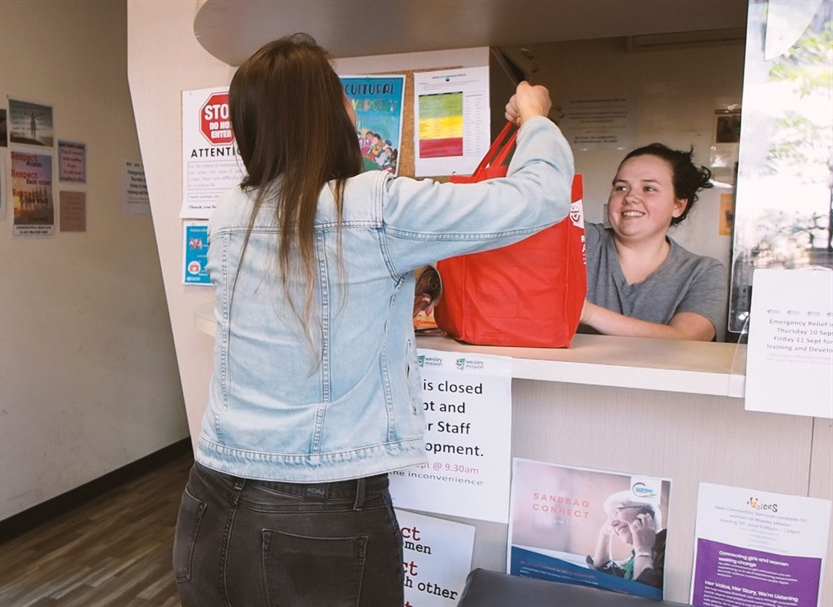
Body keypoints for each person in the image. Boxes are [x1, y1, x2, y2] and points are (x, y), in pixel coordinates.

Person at [173, 33, 574, 606]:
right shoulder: (375, 205)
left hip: (209, 495)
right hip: (319, 513)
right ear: (331, 112)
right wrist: (535, 116)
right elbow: (541, 195)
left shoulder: (232, 211)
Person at [579, 144, 727, 341]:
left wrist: (587, 313)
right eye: (621, 187)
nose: (630, 197)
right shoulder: (581, 239)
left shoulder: (702, 272)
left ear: (678, 206)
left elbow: (687, 338)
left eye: (649, 189)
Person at [586, 491, 667, 589]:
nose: (612, 523)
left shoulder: (669, 546)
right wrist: (604, 533)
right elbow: (604, 576)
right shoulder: (632, 561)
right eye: (609, 518)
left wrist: (643, 550)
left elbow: (643, 594)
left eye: (616, 512)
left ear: (646, 512)